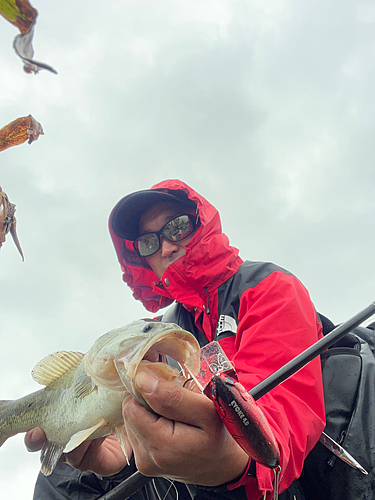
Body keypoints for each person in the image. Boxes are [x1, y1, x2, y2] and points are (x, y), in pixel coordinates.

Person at [26, 179, 325, 500]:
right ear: (142, 260)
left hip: (266, 483)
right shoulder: (153, 332)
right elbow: (110, 396)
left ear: (202, 224)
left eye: (177, 227)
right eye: (148, 242)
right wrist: (121, 440)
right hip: (171, 475)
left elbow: (285, 414)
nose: (166, 246)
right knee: (67, 467)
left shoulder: (269, 289)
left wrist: (234, 459)